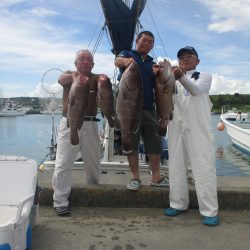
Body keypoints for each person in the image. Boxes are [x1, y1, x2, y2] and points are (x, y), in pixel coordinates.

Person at [164, 46, 219, 226]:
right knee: (176, 165)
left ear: (197, 60)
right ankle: (178, 203)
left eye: (189, 56)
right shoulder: (172, 78)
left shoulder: (204, 76)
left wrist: (178, 75)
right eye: (181, 57)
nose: (185, 58)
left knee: (204, 167)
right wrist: (160, 73)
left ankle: (209, 210)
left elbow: (195, 90)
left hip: (198, 128)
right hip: (175, 127)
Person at [115, 31, 168, 190]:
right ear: (137, 41)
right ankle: (135, 178)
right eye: (144, 40)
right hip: (129, 109)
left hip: (149, 108)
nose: (146, 44)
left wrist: (160, 73)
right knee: (131, 143)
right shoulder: (127, 54)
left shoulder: (153, 63)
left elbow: (162, 85)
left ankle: (156, 177)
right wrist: (125, 61)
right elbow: (117, 61)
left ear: (152, 46)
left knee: (155, 144)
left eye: (150, 42)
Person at [52, 49, 102, 216]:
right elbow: (60, 79)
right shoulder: (69, 75)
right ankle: (60, 201)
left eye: (89, 60)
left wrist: (104, 80)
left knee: (94, 162)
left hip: (90, 123)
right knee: (63, 162)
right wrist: (75, 77)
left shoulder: (95, 78)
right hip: (69, 122)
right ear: (76, 63)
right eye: (82, 59)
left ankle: (94, 195)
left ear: (93, 64)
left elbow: (104, 84)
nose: (85, 62)